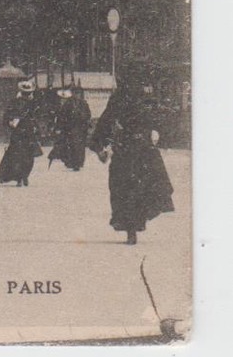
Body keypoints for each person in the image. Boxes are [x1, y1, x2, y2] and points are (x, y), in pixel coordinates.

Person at [89, 76, 175, 244]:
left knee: (126, 190)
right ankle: (134, 226)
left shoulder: (120, 99)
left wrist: (100, 147)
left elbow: (105, 123)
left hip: (128, 151)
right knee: (138, 189)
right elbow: (160, 122)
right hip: (141, 151)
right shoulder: (143, 98)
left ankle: (132, 228)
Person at [0, 80, 42, 186]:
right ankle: (23, 176)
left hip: (20, 133)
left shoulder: (17, 102)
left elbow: (7, 116)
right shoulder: (29, 103)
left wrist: (11, 123)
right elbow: (36, 118)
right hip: (26, 133)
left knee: (19, 156)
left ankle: (21, 177)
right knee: (26, 157)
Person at [47, 87, 93, 172]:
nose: (77, 95)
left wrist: (85, 121)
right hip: (71, 128)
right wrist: (60, 127)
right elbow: (62, 116)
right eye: (76, 93)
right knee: (73, 146)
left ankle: (77, 163)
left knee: (79, 147)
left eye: (78, 93)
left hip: (80, 128)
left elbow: (88, 115)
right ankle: (73, 163)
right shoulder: (69, 103)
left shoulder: (83, 103)